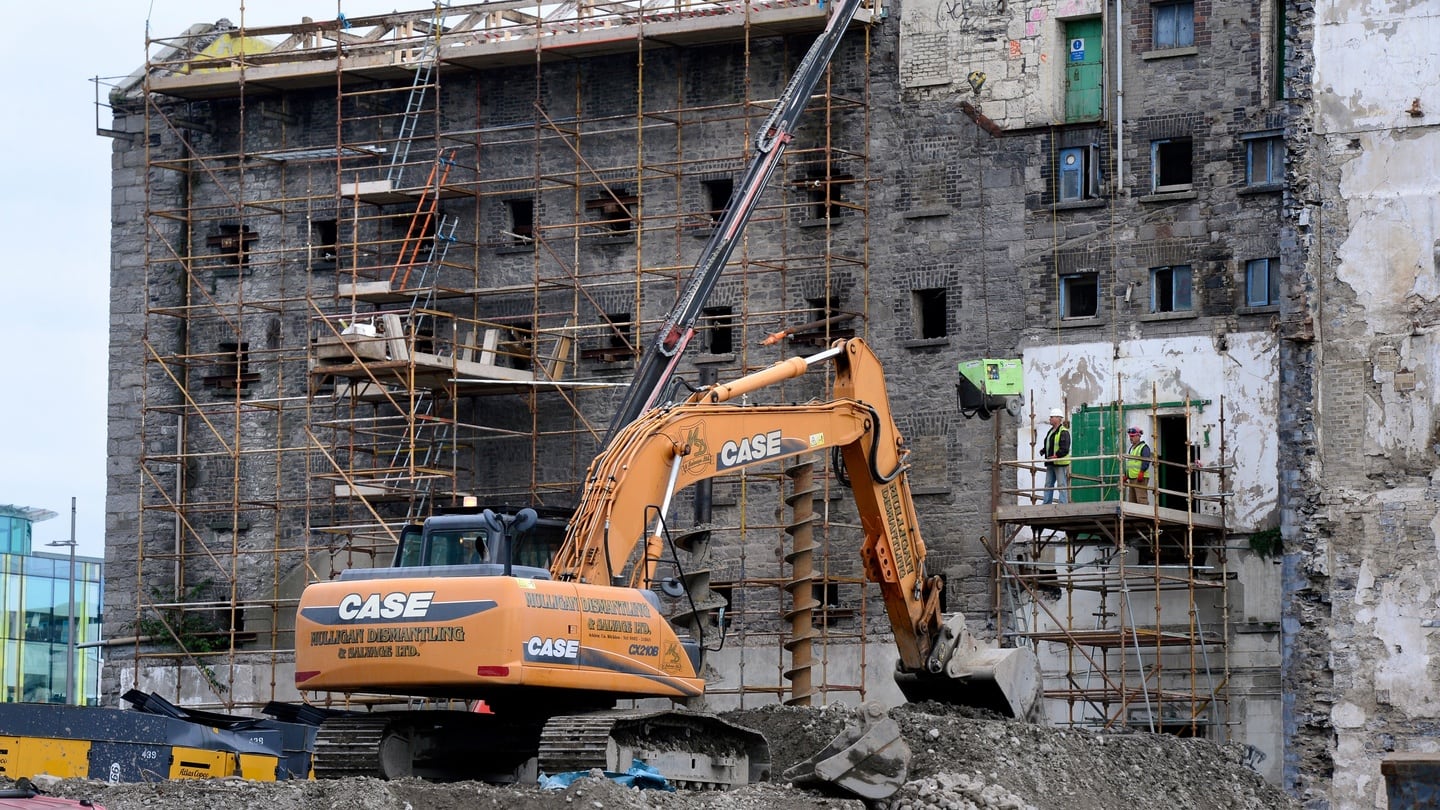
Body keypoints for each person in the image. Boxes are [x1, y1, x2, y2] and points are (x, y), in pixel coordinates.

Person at [1040, 408, 1071, 504]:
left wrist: (1057, 455)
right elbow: (1050, 444)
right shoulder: (1051, 431)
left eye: (1051, 417)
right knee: (1048, 484)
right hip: (1051, 462)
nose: (1050, 419)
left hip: (1059, 462)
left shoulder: (1063, 431)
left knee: (1061, 484)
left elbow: (1065, 448)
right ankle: (1046, 503)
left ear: (1058, 418)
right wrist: (1044, 450)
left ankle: (1063, 504)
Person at [1123, 426, 1153, 504]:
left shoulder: (1144, 447)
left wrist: (1142, 472)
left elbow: (1146, 460)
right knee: (1132, 500)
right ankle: (1133, 516)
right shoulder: (1132, 448)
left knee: (1141, 498)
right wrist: (1126, 475)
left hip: (1140, 478)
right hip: (1132, 478)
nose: (1131, 438)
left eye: (1132, 436)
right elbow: (1130, 463)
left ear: (1138, 436)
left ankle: (1144, 515)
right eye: (1130, 436)